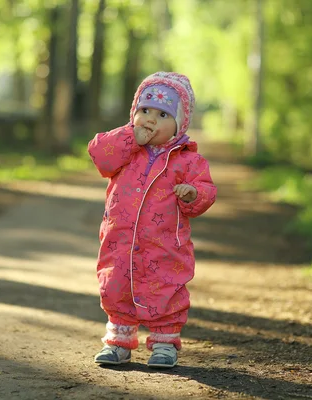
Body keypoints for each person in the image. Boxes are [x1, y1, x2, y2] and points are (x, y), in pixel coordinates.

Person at [87, 71, 217, 368]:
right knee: (116, 284)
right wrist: (129, 136)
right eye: (144, 110)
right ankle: (118, 341)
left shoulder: (187, 159)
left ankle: (164, 342)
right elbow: (98, 154)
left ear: (179, 123)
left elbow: (207, 190)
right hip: (120, 240)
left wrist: (192, 193)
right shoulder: (125, 149)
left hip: (163, 245)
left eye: (161, 114)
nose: (150, 119)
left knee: (165, 287)